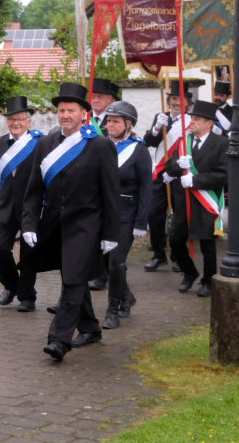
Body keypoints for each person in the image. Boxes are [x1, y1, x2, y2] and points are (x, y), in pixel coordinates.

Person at [20, 82, 119, 362]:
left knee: (73, 279)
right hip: (54, 225)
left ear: (83, 113)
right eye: (62, 110)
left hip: (86, 225)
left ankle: (59, 340)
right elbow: (34, 189)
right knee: (73, 275)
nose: (65, 115)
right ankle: (90, 328)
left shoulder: (99, 145)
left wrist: (110, 233)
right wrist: (29, 224)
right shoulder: (46, 143)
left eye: (71, 110)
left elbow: (111, 193)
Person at [164, 100, 228, 297]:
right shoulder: (185, 141)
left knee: (207, 244)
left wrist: (196, 180)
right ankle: (190, 272)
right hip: (184, 200)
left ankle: (208, 281)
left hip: (206, 201)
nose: (192, 122)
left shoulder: (221, 143)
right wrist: (177, 164)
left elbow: (224, 175)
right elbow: (169, 167)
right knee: (176, 240)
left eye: (197, 119)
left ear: (210, 123)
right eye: (192, 118)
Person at [0, 96, 42, 312]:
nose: (16, 123)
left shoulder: (40, 142)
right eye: (12, 119)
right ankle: (11, 286)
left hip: (31, 207)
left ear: (29, 121)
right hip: (5, 205)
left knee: (28, 254)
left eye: (20, 119)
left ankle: (27, 297)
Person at [102, 101, 151, 328]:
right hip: (102, 213)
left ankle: (112, 310)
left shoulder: (139, 150)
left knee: (116, 262)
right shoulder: (100, 145)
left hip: (126, 215)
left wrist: (141, 221)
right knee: (104, 263)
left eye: (115, 121)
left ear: (128, 124)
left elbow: (146, 188)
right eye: (108, 120)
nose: (110, 125)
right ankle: (127, 296)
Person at [143, 80, 193, 272]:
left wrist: (176, 170)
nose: (176, 102)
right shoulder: (161, 117)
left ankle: (178, 256)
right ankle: (158, 254)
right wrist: (156, 128)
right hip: (160, 173)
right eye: (173, 98)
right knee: (153, 214)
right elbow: (148, 142)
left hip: (180, 175)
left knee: (179, 218)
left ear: (187, 101)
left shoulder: (191, 120)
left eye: (180, 99)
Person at [86, 78, 120, 291]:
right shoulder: (85, 119)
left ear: (112, 100)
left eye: (100, 96)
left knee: (106, 228)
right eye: (93, 95)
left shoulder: (117, 120)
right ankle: (93, 269)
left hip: (108, 178)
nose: (95, 99)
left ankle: (105, 273)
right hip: (87, 181)